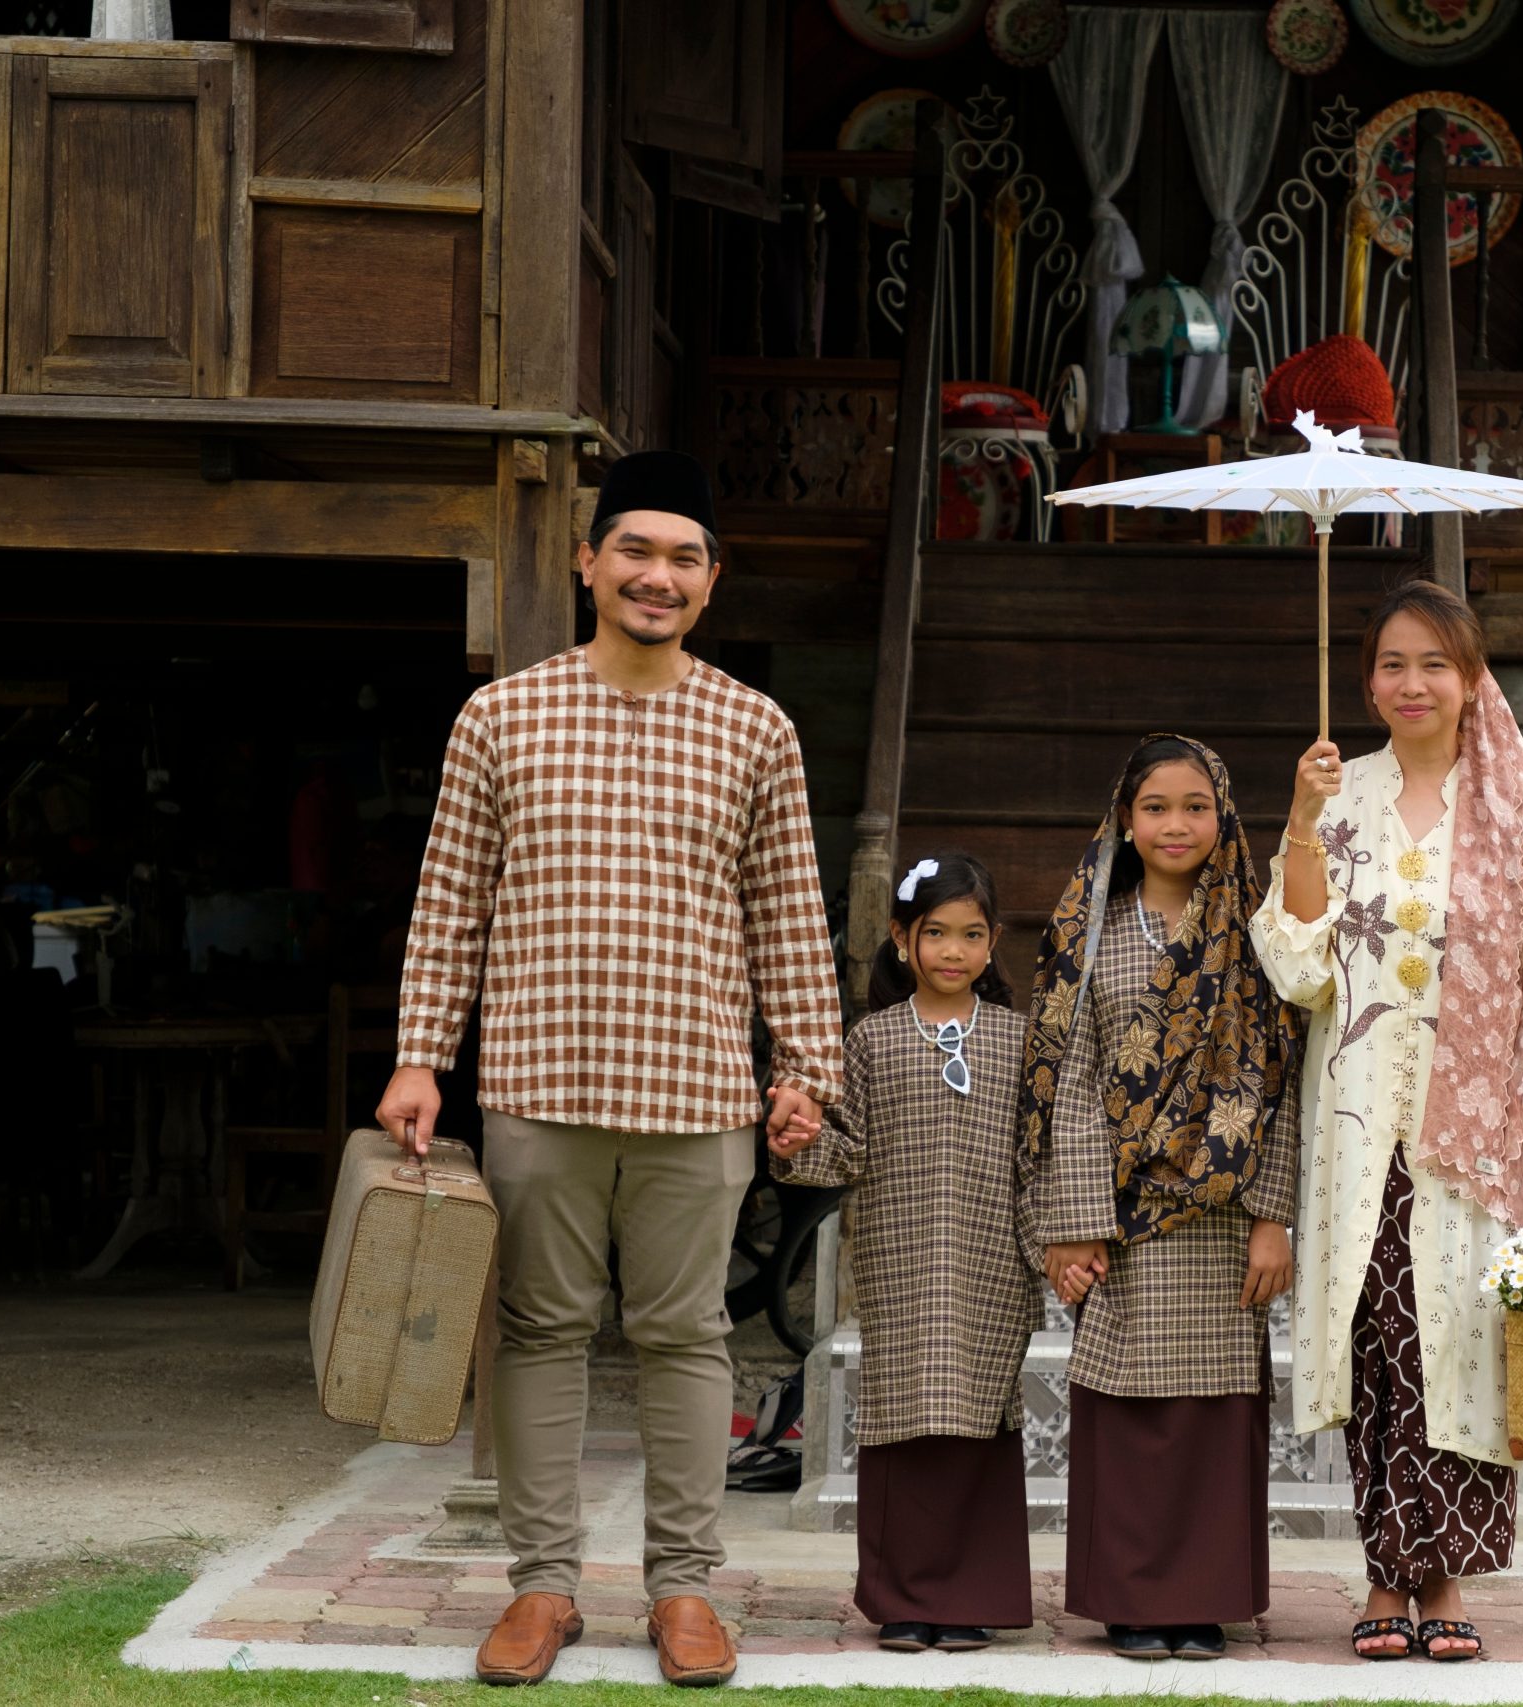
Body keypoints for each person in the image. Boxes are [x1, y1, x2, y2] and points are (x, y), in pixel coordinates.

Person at [376, 450, 843, 1689]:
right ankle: (542, 1588)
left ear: (712, 581)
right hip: (539, 1080)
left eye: (685, 558)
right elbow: (449, 902)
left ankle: (683, 1591)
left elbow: (788, 914)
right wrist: (421, 1058)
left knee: (687, 1336)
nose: (658, 575)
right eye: (635, 549)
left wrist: (806, 1067)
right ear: (588, 561)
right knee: (538, 1333)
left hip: (698, 1090)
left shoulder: (756, 726)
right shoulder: (501, 717)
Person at [1249, 580, 1523, 1663]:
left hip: (1480, 1130)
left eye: (1433, 664)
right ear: (1366, 683)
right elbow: (1298, 969)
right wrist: (1300, 821)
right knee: (1378, 1338)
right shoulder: (1337, 795)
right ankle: (1382, 1574)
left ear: (1470, 678)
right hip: (1360, 1121)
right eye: (1393, 664)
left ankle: (1443, 1578)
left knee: (1460, 1337)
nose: (1413, 684)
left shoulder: (1507, 807)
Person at [1018, 734, 1300, 1663]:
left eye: (1195, 806)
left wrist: (1273, 1214)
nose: (1175, 824)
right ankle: (1133, 1599)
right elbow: (1065, 1077)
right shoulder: (1087, 932)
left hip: (1224, 1217)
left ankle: (1203, 1598)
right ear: (1124, 820)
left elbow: (1284, 1079)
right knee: (1130, 1407)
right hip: (1124, 1222)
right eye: (1155, 807)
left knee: (1213, 1415)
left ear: (1224, 816)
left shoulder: (1259, 933)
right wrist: (1074, 1225)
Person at [768, 851, 1041, 1654]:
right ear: (901, 938)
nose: (953, 950)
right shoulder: (871, 1041)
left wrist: (1054, 1244)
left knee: (979, 1417)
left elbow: (1042, 1156)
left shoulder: (1024, 1042)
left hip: (995, 1261)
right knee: (905, 1417)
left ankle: (973, 1595)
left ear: (993, 942)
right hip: (899, 1262)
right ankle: (905, 1599)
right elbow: (844, 1151)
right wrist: (797, 1144)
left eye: (971, 934)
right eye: (936, 933)